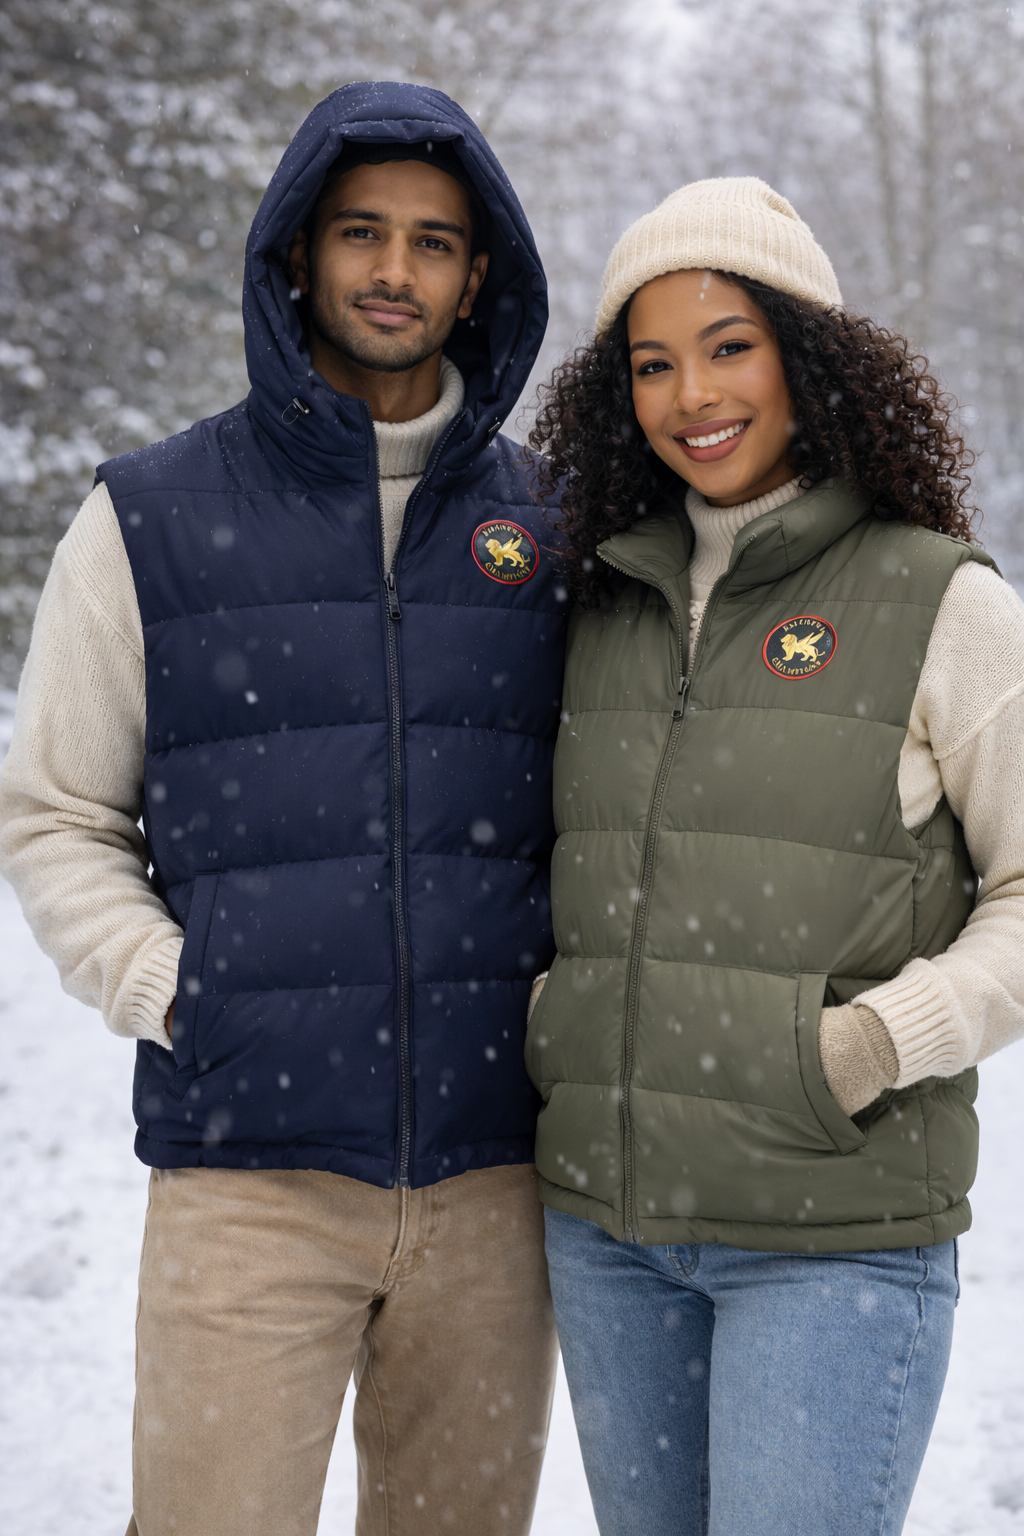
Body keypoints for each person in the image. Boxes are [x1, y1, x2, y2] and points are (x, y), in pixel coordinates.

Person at [0, 82, 566, 1536]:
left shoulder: (554, 529)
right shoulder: (152, 516)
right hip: (245, 1181)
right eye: (361, 232)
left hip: (498, 1182)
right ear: (301, 253)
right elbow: (54, 809)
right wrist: (173, 987)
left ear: (478, 276)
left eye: (434, 242)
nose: (394, 270)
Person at [525, 176, 1024, 1536]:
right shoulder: (599, 600)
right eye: (652, 363)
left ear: (810, 356)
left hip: (832, 1243)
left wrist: (871, 1043)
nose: (692, 394)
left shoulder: (940, 598)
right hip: (610, 1235)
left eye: (730, 346)